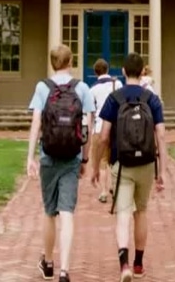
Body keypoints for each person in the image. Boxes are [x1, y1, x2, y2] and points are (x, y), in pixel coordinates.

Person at [92, 52, 166, 281]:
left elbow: (103, 136)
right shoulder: (152, 99)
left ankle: (123, 264)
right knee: (141, 212)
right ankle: (138, 264)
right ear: (143, 71)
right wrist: (161, 171)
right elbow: (161, 136)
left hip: (121, 163)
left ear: (123, 72)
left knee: (123, 213)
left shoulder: (115, 98)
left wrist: (95, 165)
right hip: (145, 163)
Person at [26, 44, 94, 282]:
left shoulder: (43, 88)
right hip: (72, 158)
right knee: (67, 213)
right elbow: (88, 128)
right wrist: (85, 158)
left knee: (49, 212)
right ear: (71, 62)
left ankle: (48, 263)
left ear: (52, 62)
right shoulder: (82, 88)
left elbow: (36, 123)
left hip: (48, 156)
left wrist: (30, 157)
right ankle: (65, 270)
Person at [89, 58, 121, 204]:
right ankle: (115, 188)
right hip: (116, 128)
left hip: (99, 127)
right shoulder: (118, 84)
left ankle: (103, 191)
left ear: (96, 73)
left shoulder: (93, 89)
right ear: (107, 70)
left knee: (101, 161)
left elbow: (91, 112)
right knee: (116, 160)